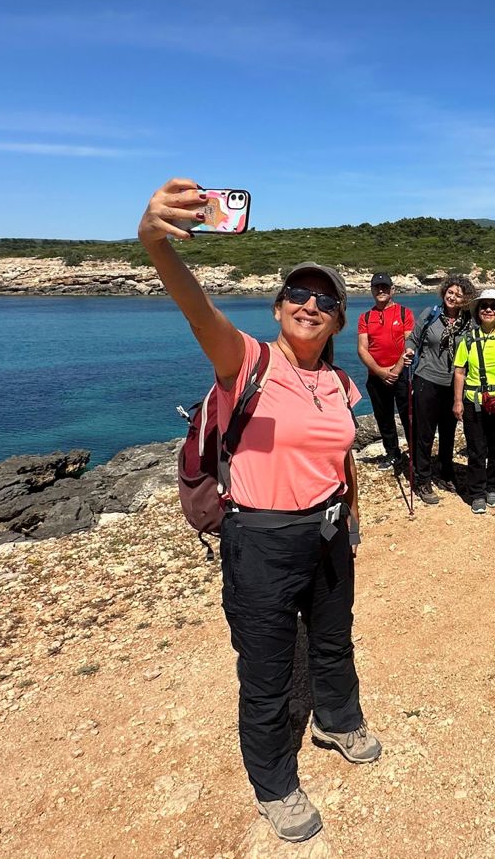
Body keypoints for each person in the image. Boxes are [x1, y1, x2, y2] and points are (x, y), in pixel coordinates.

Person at [136, 179, 379, 843]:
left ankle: (337, 718)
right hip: (261, 540)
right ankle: (274, 783)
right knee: (268, 671)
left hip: (329, 530)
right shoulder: (247, 362)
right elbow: (197, 309)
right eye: (297, 295)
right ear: (277, 309)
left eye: (324, 301)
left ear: (338, 320)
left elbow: (341, 457)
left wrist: (351, 518)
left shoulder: (340, 383)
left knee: (332, 642)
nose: (309, 304)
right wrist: (155, 243)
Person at [405, 275, 474, 505]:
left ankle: (446, 473)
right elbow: (413, 339)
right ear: (444, 292)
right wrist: (409, 352)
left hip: (453, 384)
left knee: (448, 432)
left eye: (459, 294)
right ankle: (422, 478)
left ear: (465, 299)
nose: (453, 297)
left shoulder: (468, 321)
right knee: (424, 433)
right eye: (450, 292)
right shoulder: (430, 314)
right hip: (426, 379)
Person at [453, 290, 495, 513]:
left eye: (493, 306)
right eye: (484, 306)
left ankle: (492, 486)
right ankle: (477, 491)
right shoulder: (468, 339)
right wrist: (457, 401)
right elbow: (460, 372)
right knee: (476, 449)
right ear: (477, 312)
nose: (488, 310)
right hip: (473, 401)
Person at [356, 273, 414, 471]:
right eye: (377, 287)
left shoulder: (404, 313)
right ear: (372, 290)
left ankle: (415, 455)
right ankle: (392, 453)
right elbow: (362, 348)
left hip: (402, 374)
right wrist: (381, 372)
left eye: (385, 287)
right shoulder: (365, 317)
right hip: (376, 376)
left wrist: (395, 370)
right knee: (384, 417)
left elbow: (409, 344)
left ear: (392, 290)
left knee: (409, 416)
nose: (381, 291)